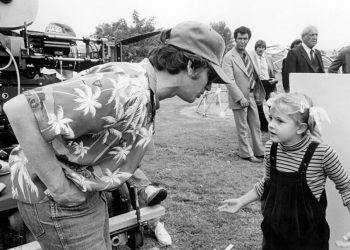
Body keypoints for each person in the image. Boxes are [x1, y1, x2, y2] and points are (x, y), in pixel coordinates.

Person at [4, 21, 231, 250]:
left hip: (82, 192)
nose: (209, 87)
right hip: (59, 201)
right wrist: (60, 187)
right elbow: (19, 110)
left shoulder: (143, 89)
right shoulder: (125, 88)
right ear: (192, 66)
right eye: (210, 77)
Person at [218, 92, 350, 249]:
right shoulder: (270, 149)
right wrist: (241, 201)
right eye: (271, 118)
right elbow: (267, 183)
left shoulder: (322, 153)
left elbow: (346, 188)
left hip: (309, 238)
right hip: (275, 234)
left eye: (280, 121)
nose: (271, 125)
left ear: (301, 128)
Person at [222, 26, 266, 163]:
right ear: (235, 39)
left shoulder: (249, 54)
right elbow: (229, 81)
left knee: (256, 125)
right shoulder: (229, 57)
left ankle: (260, 152)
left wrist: (257, 93)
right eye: (240, 38)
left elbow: (254, 75)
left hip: (252, 95)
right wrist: (240, 98)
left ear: (248, 39)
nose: (242, 41)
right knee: (242, 128)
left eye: (245, 39)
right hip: (239, 98)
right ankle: (246, 154)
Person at [282, 26, 325, 92]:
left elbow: (322, 75)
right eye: (312, 35)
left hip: (317, 93)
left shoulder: (318, 53)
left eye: (316, 35)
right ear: (303, 37)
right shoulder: (294, 53)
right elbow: (288, 79)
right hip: (301, 94)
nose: (315, 37)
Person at [250, 39, 278, 132]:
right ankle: (264, 126)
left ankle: (276, 124)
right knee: (259, 105)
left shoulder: (268, 58)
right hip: (259, 84)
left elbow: (273, 71)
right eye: (259, 47)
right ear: (256, 48)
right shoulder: (251, 58)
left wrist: (274, 79)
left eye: (262, 47)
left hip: (269, 83)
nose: (261, 49)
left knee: (272, 105)